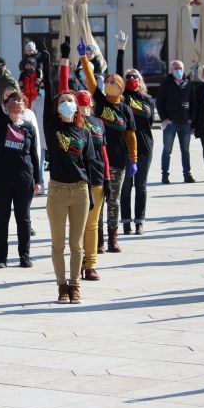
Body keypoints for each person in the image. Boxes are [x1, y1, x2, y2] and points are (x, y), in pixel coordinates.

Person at [38, 37, 96, 303]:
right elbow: (53, 91)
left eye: (71, 100)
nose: (67, 103)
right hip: (58, 190)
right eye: (63, 101)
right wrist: (55, 61)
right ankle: (61, 285)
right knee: (58, 244)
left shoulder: (83, 132)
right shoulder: (53, 128)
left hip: (81, 190)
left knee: (77, 244)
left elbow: (91, 163)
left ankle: (75, 285)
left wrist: (93, 193)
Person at [79, 39, 138, 253]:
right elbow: (90, 79)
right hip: (98, 159)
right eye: (109, 80)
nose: (111, 82)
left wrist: (133, 159)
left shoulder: (125, 110)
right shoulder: (101, 101)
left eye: (115, 81)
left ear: (121, 87)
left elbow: (131, 136)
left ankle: (113, 238)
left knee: (114, 200)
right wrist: (84, 58)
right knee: (99, 201)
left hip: (119, 161)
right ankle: (100, 239)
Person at [0, 52, 41, 269]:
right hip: (0, 178)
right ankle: (2, 257)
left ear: (25, 104)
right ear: (6, 104)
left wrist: (38, 180)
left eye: (20, 99)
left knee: (23, 218)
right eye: (12, 99)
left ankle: (24, 255)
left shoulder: (28, 128)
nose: (17, 102)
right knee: (2, 219)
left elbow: (34, 155)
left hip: (23, 179)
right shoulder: (1, 122)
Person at [114, 31, 155, 236]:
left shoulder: (147, 100)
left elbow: (149, 121)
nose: (131, 79)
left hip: (145, 147)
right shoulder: (122, 97)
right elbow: (118, 76)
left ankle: (139, 221)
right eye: (129, 77)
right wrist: (121, 50)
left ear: (141, 79)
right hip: (125, 148)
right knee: (125, 186)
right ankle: (126, 222)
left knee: (141, 185)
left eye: (135, 76)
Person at [72, 88, 110, 281]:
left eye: (87, 104)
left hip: (97, 178)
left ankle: (91, 264)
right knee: (79, 225)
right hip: (79, 179)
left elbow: (103, 151)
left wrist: (108, 178)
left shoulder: (99, 123)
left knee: (92, 225)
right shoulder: (73, 124)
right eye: (81, 104)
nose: (84, 108)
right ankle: (77, 264)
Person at [157, 60, 195, 184]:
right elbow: (159, 102)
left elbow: (194, 102)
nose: (178, 70)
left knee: (185, 150)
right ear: (171, 70)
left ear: (183, 69)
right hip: (170, 123)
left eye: (180, 68)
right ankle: (164, 175)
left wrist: (191, 120)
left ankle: (187, 174)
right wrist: (164, 118)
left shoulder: (188, 83)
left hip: (185, 123)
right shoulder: (166, 83)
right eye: (175, 68)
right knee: (167, 150)